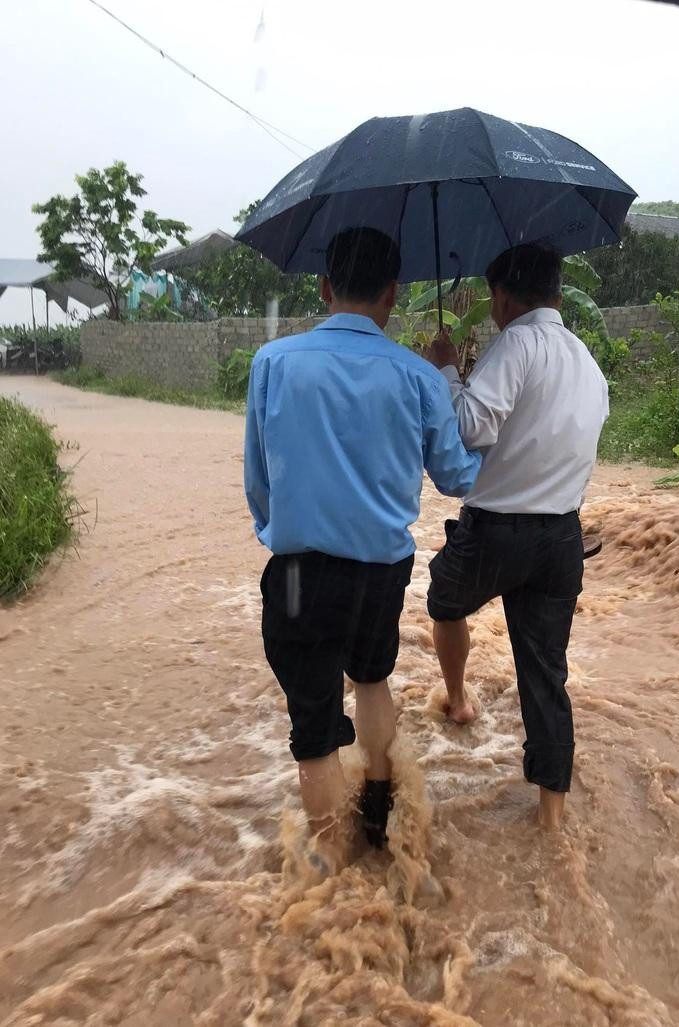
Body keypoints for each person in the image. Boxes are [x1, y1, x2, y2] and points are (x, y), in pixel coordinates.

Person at [244, 227, 480, 867]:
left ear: (324, 288)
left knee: (314, 720)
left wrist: (286, 532)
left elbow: (258, 481)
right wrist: (450, 376)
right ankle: (378, 804)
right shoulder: (419, 377)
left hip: (297, 571)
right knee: (372, 677)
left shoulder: (274, 363)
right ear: (392, 294)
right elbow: (458, 479)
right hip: (383, 567)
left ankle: (333, 873)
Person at [426, 242, 609, 831]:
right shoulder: (588, 362)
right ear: (557, 292)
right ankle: (551, 817)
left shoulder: (518, 342)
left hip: (497, 530)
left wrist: (448, 371)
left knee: (444, 601)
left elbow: (469, 427)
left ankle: (457, 700)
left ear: (503, 297)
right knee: (545, 673)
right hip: (562, 539)